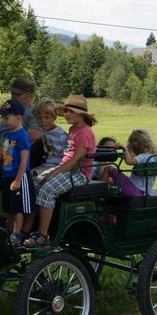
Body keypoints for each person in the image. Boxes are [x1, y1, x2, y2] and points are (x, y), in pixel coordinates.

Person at [23, 95, 97, 248]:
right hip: (67, 169)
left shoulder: (84, 132)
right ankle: (28, 227)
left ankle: (43, 236)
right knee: (31, 185)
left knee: (47, 190)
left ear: (81, 114)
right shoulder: (73, 129)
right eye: (66, 111)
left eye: (70, 111)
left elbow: (75, 160)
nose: (67, 114)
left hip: (79, 173)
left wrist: (52, 173)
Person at [0, 99, 33, 248]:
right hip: (7, 174)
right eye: (2, 117)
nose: (3, 121)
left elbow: (24, 160)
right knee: (9, 208)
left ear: (18, 117)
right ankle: (9, 230)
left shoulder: (22, 135)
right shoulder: (7, 134)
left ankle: (17, 234)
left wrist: (18, 180)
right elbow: (6, 153)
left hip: (18, 176)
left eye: (6, 117)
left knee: (17, 208)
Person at [100, 129, 157, 197]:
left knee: (108, 168)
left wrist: (124, 148)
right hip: (145, 193)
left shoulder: (143, 156)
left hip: (132, 190)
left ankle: (99, 194)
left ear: (136, 146)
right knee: (125, 177)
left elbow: (129, 161)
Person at [32, 98, 68, 179]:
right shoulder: (43, 131)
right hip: (46, 164)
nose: (43, 120)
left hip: (57, 166)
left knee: (34, 179)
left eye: (47, 117)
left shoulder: (61, 135)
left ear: (54, 117)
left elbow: (68, 155)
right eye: (39, 118)